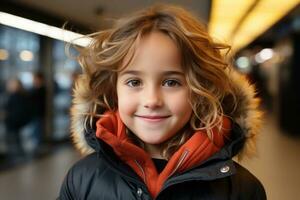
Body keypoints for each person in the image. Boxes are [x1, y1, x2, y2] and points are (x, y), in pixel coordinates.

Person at [59, 4, 266, 199]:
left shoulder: (241, 189)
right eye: (134, 82)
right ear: (114, 92)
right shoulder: (81, 180)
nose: (151, 100)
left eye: (171, 82)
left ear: (201, 91)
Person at [3, 78, 30, 160]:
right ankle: (19, 157)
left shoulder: (15, 96)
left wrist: (6, 115)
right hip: (15, 123)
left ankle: (17, 158)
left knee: (13, 141)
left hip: (13, 123)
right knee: (16, 140)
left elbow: (16, 111)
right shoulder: (21, 95)